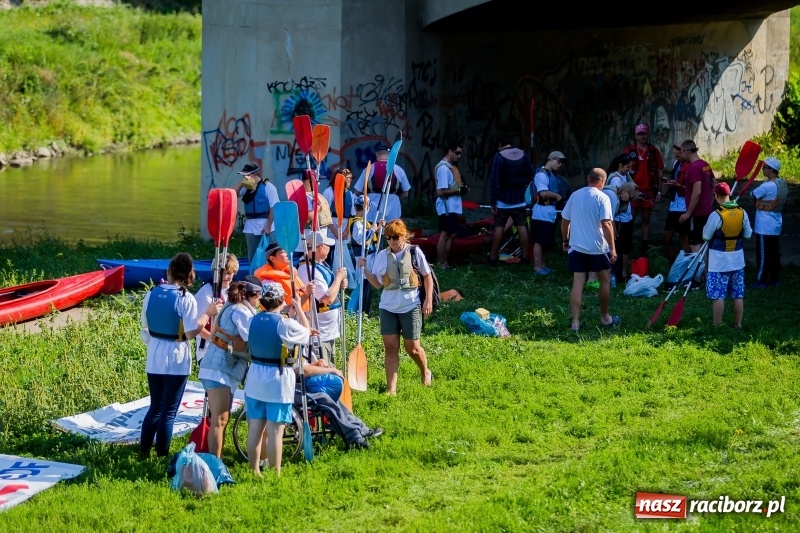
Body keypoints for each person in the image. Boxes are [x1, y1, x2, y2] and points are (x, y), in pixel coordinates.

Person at [139, 253, 222, 459]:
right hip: (176, 357)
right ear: (189, 275)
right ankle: (162, 456)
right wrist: (207, 313)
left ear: (169, 271)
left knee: (155, 407)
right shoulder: (186, 298)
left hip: (155, 353)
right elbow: (191, 332)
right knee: (168, 412)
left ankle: (143, 452)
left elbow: (145, 324)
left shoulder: (151, 293)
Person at [357, 219, 433, 395]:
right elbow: (378, 284)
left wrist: (428, 300)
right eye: (388, 237)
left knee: (412, 348)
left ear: (403, 236)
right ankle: (391, 389)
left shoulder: (414, 252)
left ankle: (425, 371)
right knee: (390, 347)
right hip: (388, 307)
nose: (391, 241)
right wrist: (365, 269)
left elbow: (427, 276)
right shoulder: (382, 256)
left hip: (410, 305)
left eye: (395, 237)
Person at [244, 281, 312, 475]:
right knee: (275, 430)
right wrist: (299, 308)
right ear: (282, 300)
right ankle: (275, 473)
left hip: (255, 377)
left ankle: (253, 470)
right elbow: (306, 333)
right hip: (278, 380)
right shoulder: (284, 323)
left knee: (255, 429)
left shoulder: (253, 319)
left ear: (263, 302)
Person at [198, 278, 261, 458]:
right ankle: (214, 465)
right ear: (252, 295)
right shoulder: (240, 311)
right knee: (220, 420)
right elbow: (252, 336)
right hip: (218, 369)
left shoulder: (235, 307)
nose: (260, 301)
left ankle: (214, 461)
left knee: (219, 420)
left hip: (219, 368)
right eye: (259, 296)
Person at [561, 168, 619, 332]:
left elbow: (565, 221)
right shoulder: (603, 197)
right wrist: (613, 249)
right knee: (604, 281)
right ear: (603, 182)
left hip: (577, 246)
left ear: (588, 178)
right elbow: (607, 224)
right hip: (598, 248)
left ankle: (575, 323)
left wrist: (565, 240)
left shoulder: (575, 195)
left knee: (577, 283)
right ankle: (605, 318)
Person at [702, 182, 753, 328]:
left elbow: (706, 236)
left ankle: (717, 326)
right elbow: (748, 235)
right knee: (737, 294)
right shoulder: (742, 212)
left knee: (718, 295)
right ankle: (738, 325)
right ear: (729, 194)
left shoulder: (716, 215)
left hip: (719, 263)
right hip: (737, 261)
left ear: (716, 195)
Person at [297, 229, 348, 365]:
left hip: (328, 331)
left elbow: (331, 289)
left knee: (330, 367)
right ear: (320, 247)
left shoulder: (318, 264)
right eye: (327, 245)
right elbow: (327, 299)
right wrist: (338, 278)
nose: (330, 248)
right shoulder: (308, 269)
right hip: (319, 334)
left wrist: (340, 283)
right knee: (323, 370)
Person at [488, 133, 534, 265]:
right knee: (522, 227)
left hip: (502, 201)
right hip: (519, 199)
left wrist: (493, 201)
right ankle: (525, 257)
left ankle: (492, 257)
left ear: (499, 144)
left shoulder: (499, 157)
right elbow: (531, 174)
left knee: (499, 228)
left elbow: (495, 181)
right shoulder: (523, 154)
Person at [625, 123, 664, 254]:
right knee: (630, 218)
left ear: (648, 134)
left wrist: (659, 191)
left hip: (648, 190)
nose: (642, 136)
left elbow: (659, 171)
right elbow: (623, 169)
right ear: (635, 136)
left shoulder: (653, 151)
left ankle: (644, 246)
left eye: (644, 133)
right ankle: (627, 244)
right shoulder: (629, 150)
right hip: (633, 191)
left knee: (646, 218)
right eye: (640, 134)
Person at [750, 156, 788, 288]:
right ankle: (775, 278)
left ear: (771, 170)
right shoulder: (782, 184)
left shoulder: (767, 186)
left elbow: (753, 194)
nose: (762, 169)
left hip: (764, 225)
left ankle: (761, 280)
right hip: (775, 224)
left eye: (764, 167)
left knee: (763, 254)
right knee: (774, 253)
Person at [194, 253, 239, 363]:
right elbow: (196, 327)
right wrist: (217, 342)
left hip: (228, 350)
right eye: (221, 273)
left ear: (234, 273)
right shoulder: (205, 294)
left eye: (229, 273)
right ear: (214, 272)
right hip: (207, 351)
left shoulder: (233, 292)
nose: (225, 277)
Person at [233, 163, 280, 264]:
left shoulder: (269, 187)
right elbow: (233, 193)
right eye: (244, 175)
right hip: (250, 227)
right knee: (253, 257)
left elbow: (274, 207)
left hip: (266, 226)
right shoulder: (246, 187)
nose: (245, 177)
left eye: (247, 175)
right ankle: (253, 272)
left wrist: (268, 226)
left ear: (255, 174)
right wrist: (243, 182)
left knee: (270, 256)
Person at [353, 144, 412, 223]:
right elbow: (406, 194)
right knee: (392, 230)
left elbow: (357, 191)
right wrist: (396, 200)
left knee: (372, 230)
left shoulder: (369, 169)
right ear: (390, 156)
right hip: (393, 211)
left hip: (372, 213)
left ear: (376, 155)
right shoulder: (399, 169)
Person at [529, 151, 566, 275]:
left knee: (544, 241)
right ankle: (537, 267)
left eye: (561, 162)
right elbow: (543, 193)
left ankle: (543, 265)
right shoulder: (541, 174)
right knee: (539, 241)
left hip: (549, 211)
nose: (560, 164)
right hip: (541, 212)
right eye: (558, 161)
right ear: (551, 159)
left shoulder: (551, 174)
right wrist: (557, 196)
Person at [604, 152, 638, 282]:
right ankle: (617, 273)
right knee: (620, 247)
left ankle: (623, 272)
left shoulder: (626, 176)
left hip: (627, 217)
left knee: (626, 247)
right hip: (619, 219)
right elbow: (620, 199)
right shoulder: (616, 179)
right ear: (620, 165)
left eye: (630, 167)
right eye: (627, 167)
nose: (629, 169)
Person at [678, 139, 716, 253]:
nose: (681, 155)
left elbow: (697, 191)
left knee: (695, 244)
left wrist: (688, 213)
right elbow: (715, 185)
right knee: (704, 243)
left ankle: (701, 265)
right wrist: (710, 203)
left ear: (687, 151)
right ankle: (706, 264)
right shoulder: (705, 165)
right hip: (707, 211)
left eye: (681, 152)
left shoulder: (693, 168)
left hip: (697, 213)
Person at [349, 196, 383, 316]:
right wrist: (373, 229)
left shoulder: (364, 222)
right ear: (366, 207)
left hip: (369, 257)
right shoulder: (357, 223)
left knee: (368, 284)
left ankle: (365, 310)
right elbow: (361, 239)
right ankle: (355, 311)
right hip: (362, 258)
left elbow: (370, 236)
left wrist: (378, 227)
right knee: (362, 284)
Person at [434, 142, 466, 269]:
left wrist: (462, 189)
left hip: (452, 207)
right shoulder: (443, 169)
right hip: (446, 207)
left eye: (460, 153)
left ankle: (445, 262)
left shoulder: (450, 167)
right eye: (457, 153)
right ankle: (441, 263)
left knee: (452, 234)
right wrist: (458, 191)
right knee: (445, 234)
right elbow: (441, 191)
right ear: (450, 151)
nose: (459, 156)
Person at [253, 242, 311, 312]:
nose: (288, 253)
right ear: (272, 258)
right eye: (283, 251)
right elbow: (282, 311)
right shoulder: (268, 282)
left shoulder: (291, 273)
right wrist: (307, 294)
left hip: (304, 314)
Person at [661, 144, 691, 263]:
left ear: (684, 152)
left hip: (685, 206)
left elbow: (693, 188)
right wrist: (669, 182)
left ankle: (687, 267)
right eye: (675, 156)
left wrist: (678, 186)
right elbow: (676, 180)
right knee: (666, 237)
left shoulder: (691, 165)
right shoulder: (676, 164)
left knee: (684, 238)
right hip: (674, 205)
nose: (676, 158)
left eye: (678, 156)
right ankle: (673, 265)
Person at [322, 168, 357, 268]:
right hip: (331, 233)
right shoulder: (328, 192)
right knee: (331, 261)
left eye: (350, 178)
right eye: (348, 178)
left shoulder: (350, 194)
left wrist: (346, 231)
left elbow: (352, 215)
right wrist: (335, 232)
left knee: (345, 262)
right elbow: (325, 215)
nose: (350, 180)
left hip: (344, 235)